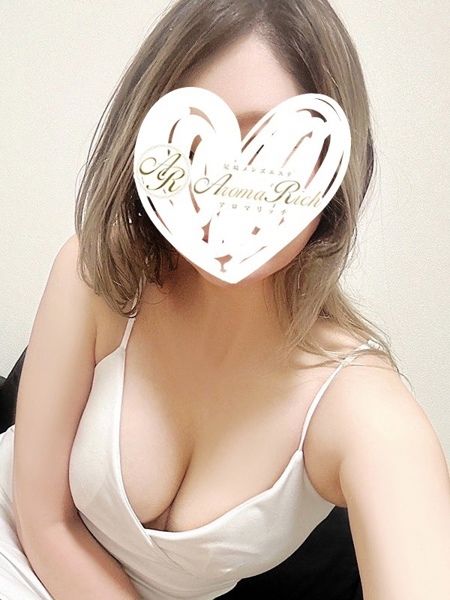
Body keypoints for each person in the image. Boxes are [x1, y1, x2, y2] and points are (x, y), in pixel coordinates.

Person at [1, 0, 449, 599]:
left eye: (272, 150)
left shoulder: (362, 409)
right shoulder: (97, 275)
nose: (226, 188)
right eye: (195, 148)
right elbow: (44, 521)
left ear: (335, 166)